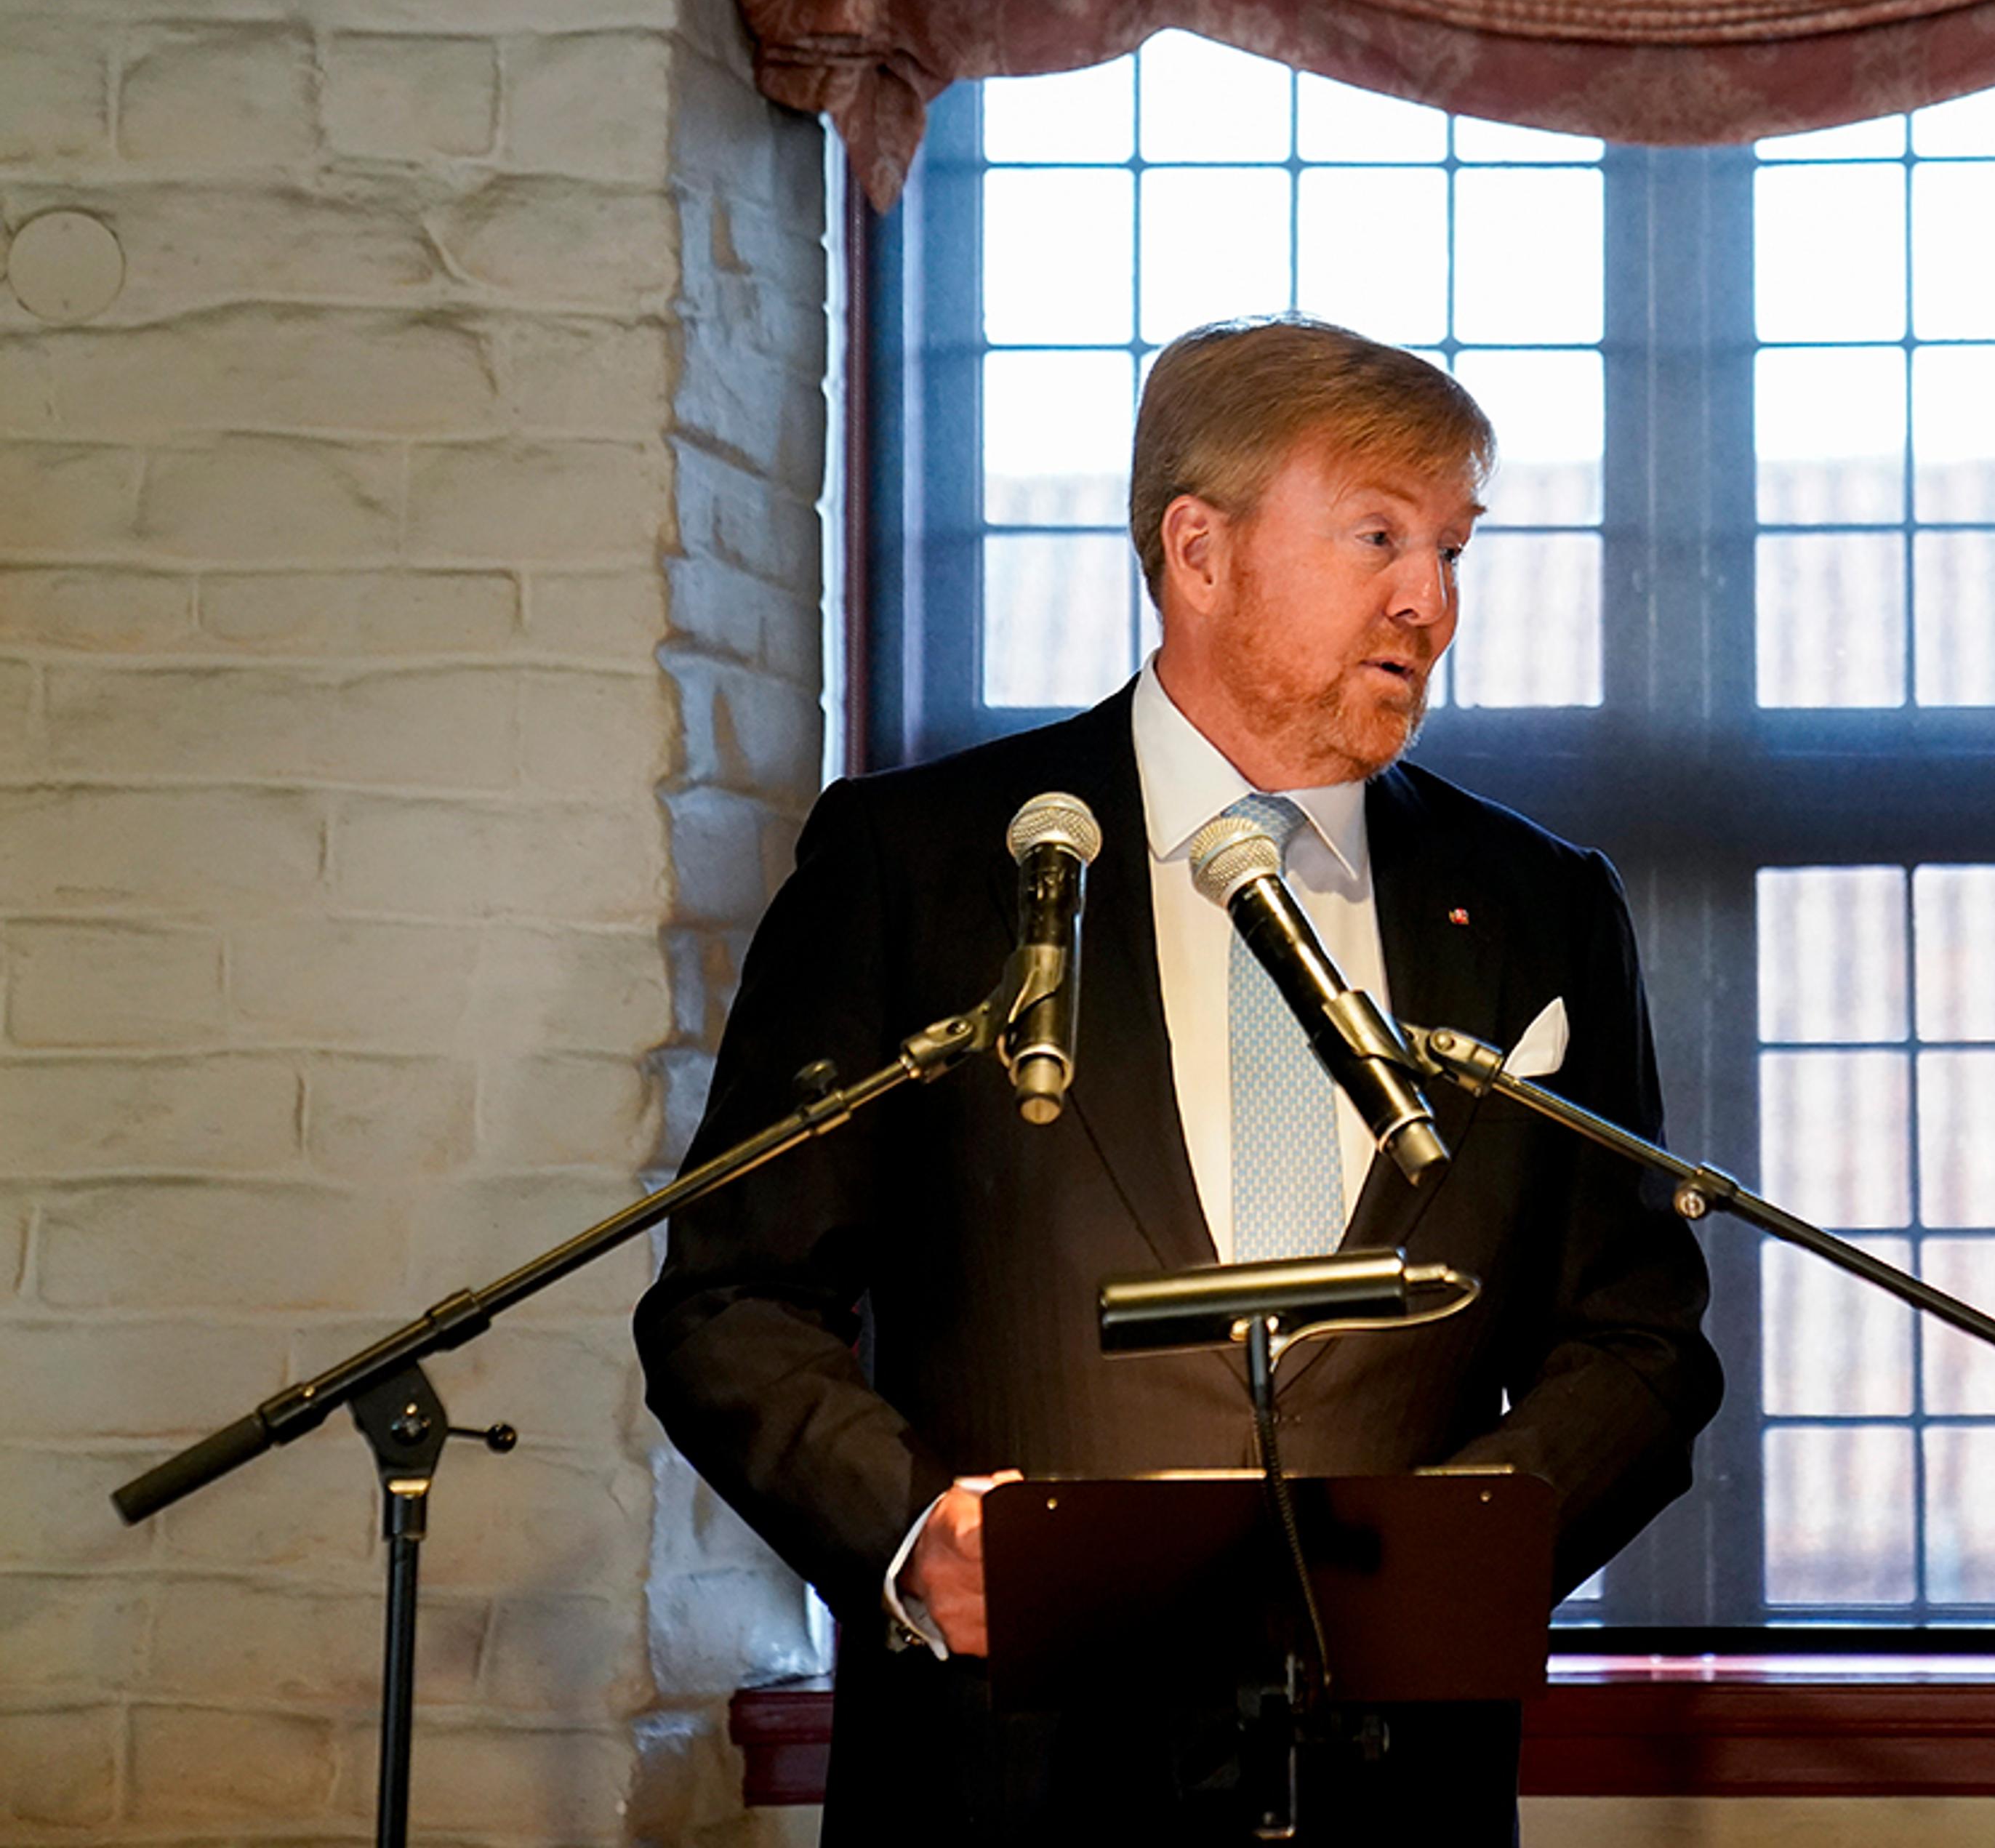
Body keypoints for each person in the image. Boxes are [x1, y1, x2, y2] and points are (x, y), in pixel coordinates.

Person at [635, 316, 1722, 1843]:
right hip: (1004, 1773)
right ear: (1198, 552)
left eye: (1451, 548)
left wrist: (1451, 1549)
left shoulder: (1541, 906)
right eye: (1378, 536)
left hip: (1395, 1781)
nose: (1429, 599)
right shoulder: (920, 866)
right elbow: (731, 1301)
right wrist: (915, 1537)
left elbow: (1641, 1339)